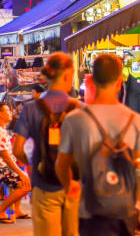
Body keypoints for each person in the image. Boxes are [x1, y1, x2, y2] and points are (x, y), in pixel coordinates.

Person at [57, 54, 140, 236]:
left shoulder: (75, 119)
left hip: (88, 210)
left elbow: (61, 165)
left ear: (91, 81)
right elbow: (136, 167)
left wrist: (70, 189)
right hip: (124, 211)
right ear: (120, 82)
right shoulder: (135, 121)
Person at [13, 52, 81, 236]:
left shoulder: (31, 108)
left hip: (43, 184)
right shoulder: (78, 108)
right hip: (74, 185)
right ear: (67, 75)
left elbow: (17, 149)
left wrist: (32, 165)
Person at [0, 102, 32, 223]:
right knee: (25, 184)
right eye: (7, 111)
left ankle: (16, 210)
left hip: (0, 169)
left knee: (23, 178)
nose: (11, 113)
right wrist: (21, 173)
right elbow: (6, 157)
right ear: (0, 114)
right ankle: (0, 210)